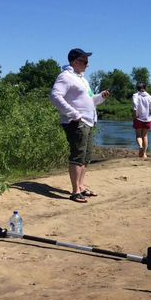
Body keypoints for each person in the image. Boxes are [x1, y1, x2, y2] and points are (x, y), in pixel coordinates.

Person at [50, 48, 110, 203]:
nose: (87, 65)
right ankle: (75, 191)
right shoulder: (66, 76)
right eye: (85, 61)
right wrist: (74, 114)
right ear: (75, 61)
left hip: (89, 121)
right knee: (78, 156)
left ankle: (81, 186)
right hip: (77, 122)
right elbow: (55, 96)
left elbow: (90, 101)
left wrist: (101, 97)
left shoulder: (82, 79)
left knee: (86, 157)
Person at [132, 82, 151, 159]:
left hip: (138, 118)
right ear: (145, 88)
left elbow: (135, 106)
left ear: (137, 88)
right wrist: (148, 111)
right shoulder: (149, 96)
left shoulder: (135, 95)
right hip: (147, 119)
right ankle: (144, 154)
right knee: (145, 136)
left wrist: (135, 115)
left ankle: (141, 146)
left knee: (138, 135)